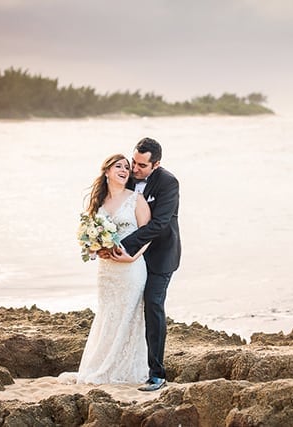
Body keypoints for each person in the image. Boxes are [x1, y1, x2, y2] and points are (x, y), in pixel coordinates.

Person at [60, 154, 151, 385]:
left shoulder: (136, 199)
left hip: (131, 269)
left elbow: (149, 236)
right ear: (107, 171)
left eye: (127, 168)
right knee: (107, 316)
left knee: (127, 317)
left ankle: (124, 368)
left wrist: (131, 258)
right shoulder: (98, 204)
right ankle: (99, 365)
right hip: (106, 271)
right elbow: (88, 237)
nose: (124, 170)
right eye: (118, 166)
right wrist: (95, 248)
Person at [105, 137, 181, 392]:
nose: (134, 169)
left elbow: (158, 225)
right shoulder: (130, 175)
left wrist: (125, 245)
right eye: (133, 162)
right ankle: (118, 364)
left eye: (141, 165)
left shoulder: (168, 183)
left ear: (156, 164)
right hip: (129, 260)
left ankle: (157, 374)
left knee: (153, 304)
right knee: (123, 307)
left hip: (161, 256)